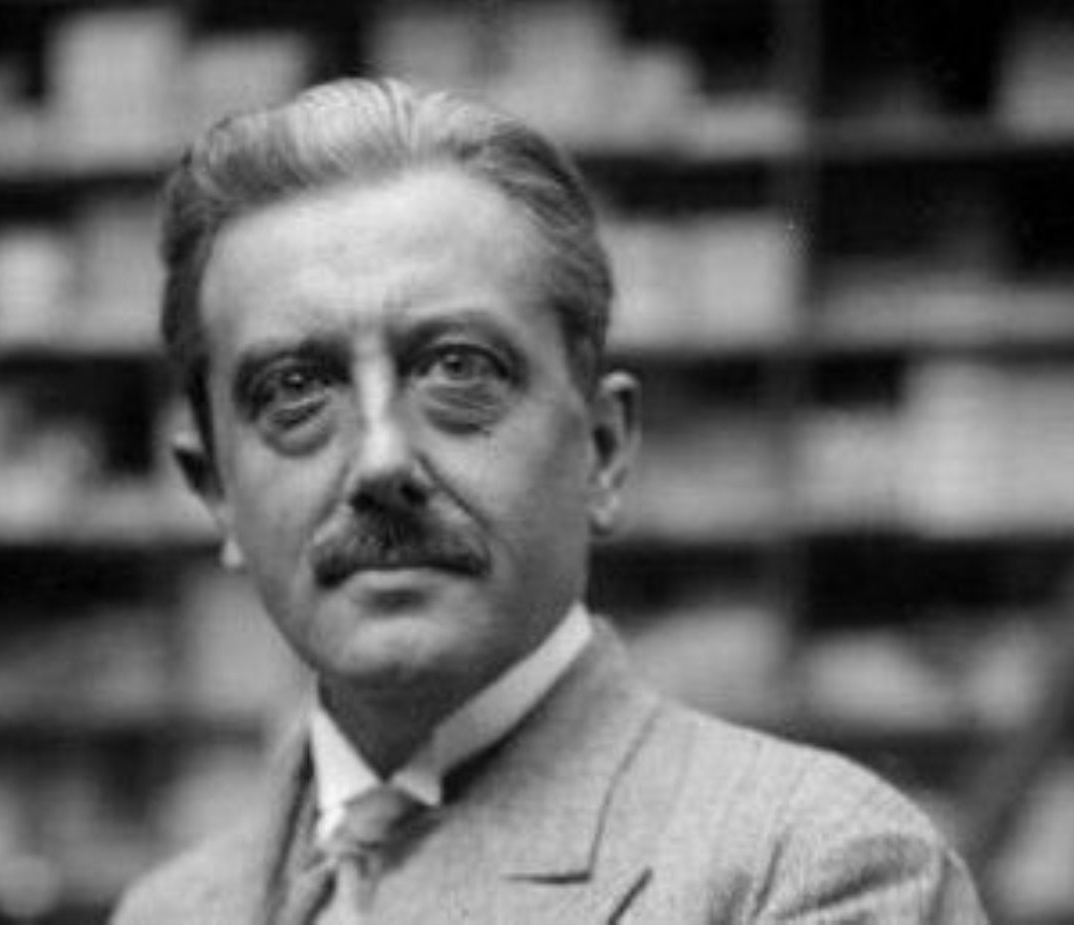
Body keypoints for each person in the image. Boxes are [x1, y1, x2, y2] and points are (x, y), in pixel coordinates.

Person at [113, 77, 988, 924]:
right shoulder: (163, 910)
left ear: (603, 449)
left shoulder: (814, 867)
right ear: (217, 490)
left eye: (459, 367)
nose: (381, 460)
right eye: (295, 388)